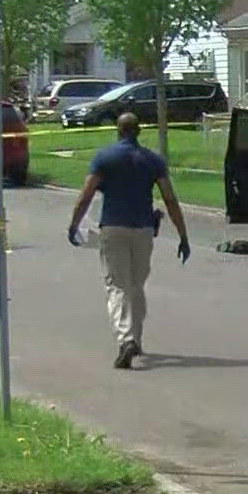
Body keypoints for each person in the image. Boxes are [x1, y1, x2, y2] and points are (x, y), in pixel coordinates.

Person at [67, 111, 190, 369]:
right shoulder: (153, 161)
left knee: (116, 285)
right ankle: (136, 337)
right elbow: (169, 198)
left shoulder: (105, 158)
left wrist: (74, 224)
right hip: (143, 229)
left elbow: (86, 193)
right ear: (139, 131)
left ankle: (126, 340)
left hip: (113, 227)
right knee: (136, 285)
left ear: (118, 130)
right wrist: (182, 234)